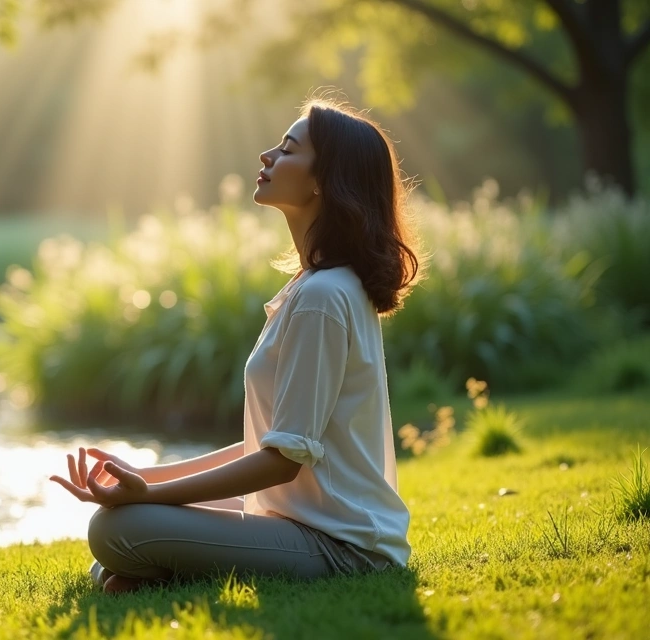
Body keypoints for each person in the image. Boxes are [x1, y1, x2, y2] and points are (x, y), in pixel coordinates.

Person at [50, 98, 424, 594]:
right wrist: (146, 477)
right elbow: (272, 442)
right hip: (296, 515)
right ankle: (147, 572)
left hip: (342, 545)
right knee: (127, 524)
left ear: (323, 180)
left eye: (287, 150)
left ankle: (147, 571)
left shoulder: (322, 296)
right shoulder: (312, 286)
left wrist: (152, 496)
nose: (267, 156)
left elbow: (282, 461)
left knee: (117, 531)